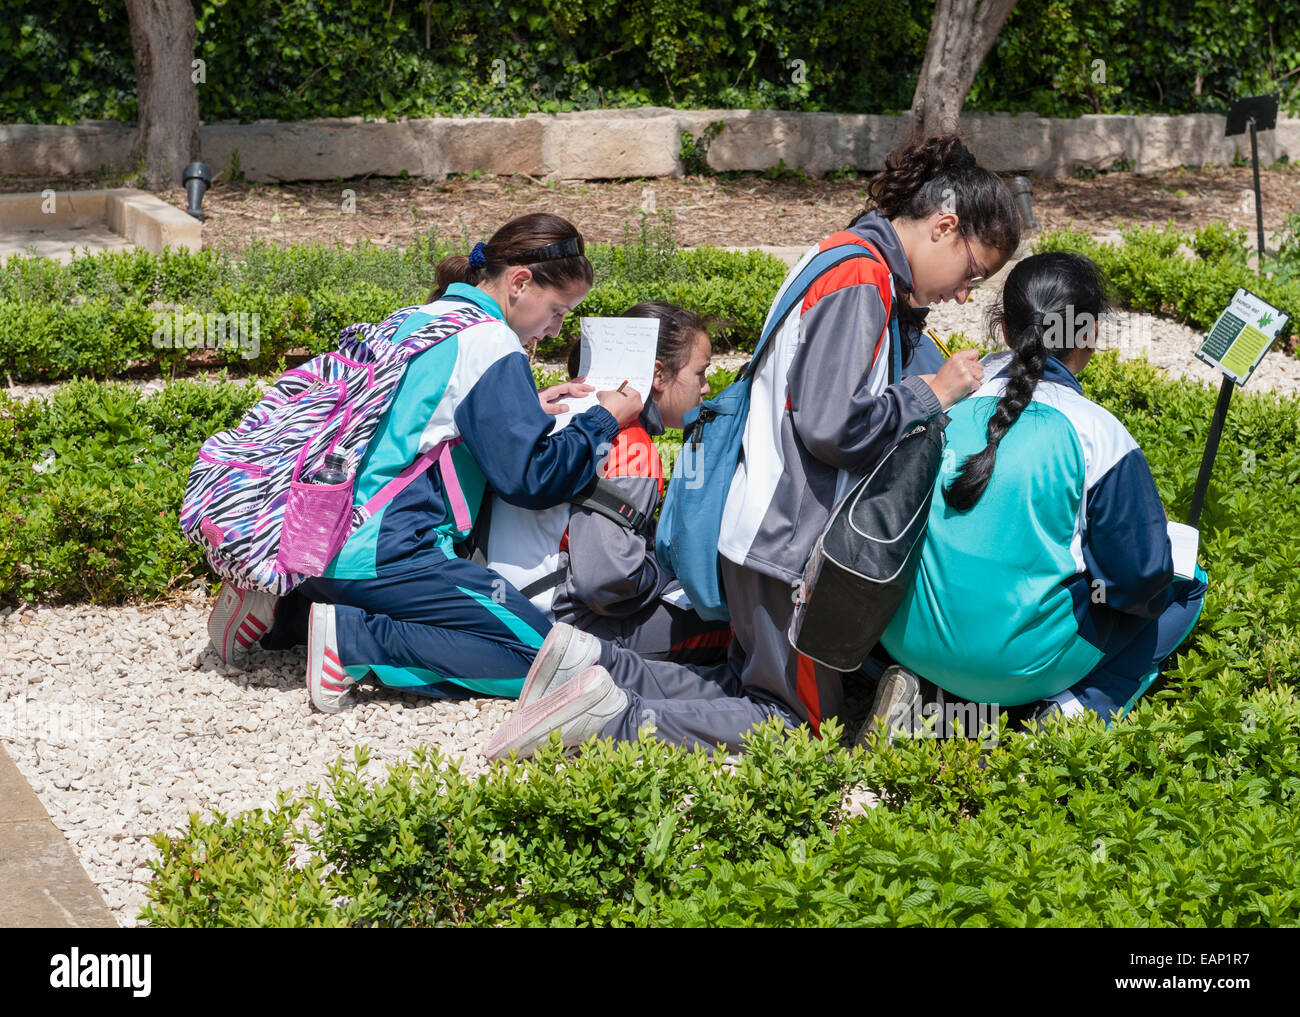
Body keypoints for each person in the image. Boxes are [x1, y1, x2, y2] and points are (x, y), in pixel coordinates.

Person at [486, 135, 1025, 758]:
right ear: (944, 226)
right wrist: (932, 394)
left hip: (760, 530)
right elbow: (831, 425)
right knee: (796, 724)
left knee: (752, 686)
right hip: (787, 542)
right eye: (973, 273)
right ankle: (608, 724)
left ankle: (592, 672)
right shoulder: (860, 276)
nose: (964, 293)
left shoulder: (841, 258)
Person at [206, 213, 643, 712]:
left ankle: (287, 605)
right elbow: (531, 478)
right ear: (520, 282)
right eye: (558, 311)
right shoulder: (492, 342)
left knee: (503, 638)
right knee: (547, 659)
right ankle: (353, 645)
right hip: (384, 552)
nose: (555, 328)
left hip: (313, 542)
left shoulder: (421, 317)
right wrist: (603, 421)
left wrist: (524, 406)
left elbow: (417, 423)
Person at [871, 251, 1208, 732]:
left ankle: (934, 704)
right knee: (1186, 580)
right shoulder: (1100, 434)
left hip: (905, 640)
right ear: (1088, 336)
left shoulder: (941, 397)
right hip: (1017, 668)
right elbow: (1136, 580)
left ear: (1005, 329)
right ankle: (1074, 708)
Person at [483, 301, 731, 664]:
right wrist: (666, 570)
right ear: (658, 375)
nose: (706, 387)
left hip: (501, 606)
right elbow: (605, 582)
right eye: (700, 372)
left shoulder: (560, 404)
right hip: (560, 628)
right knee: (736, 624)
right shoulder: (629, 445)